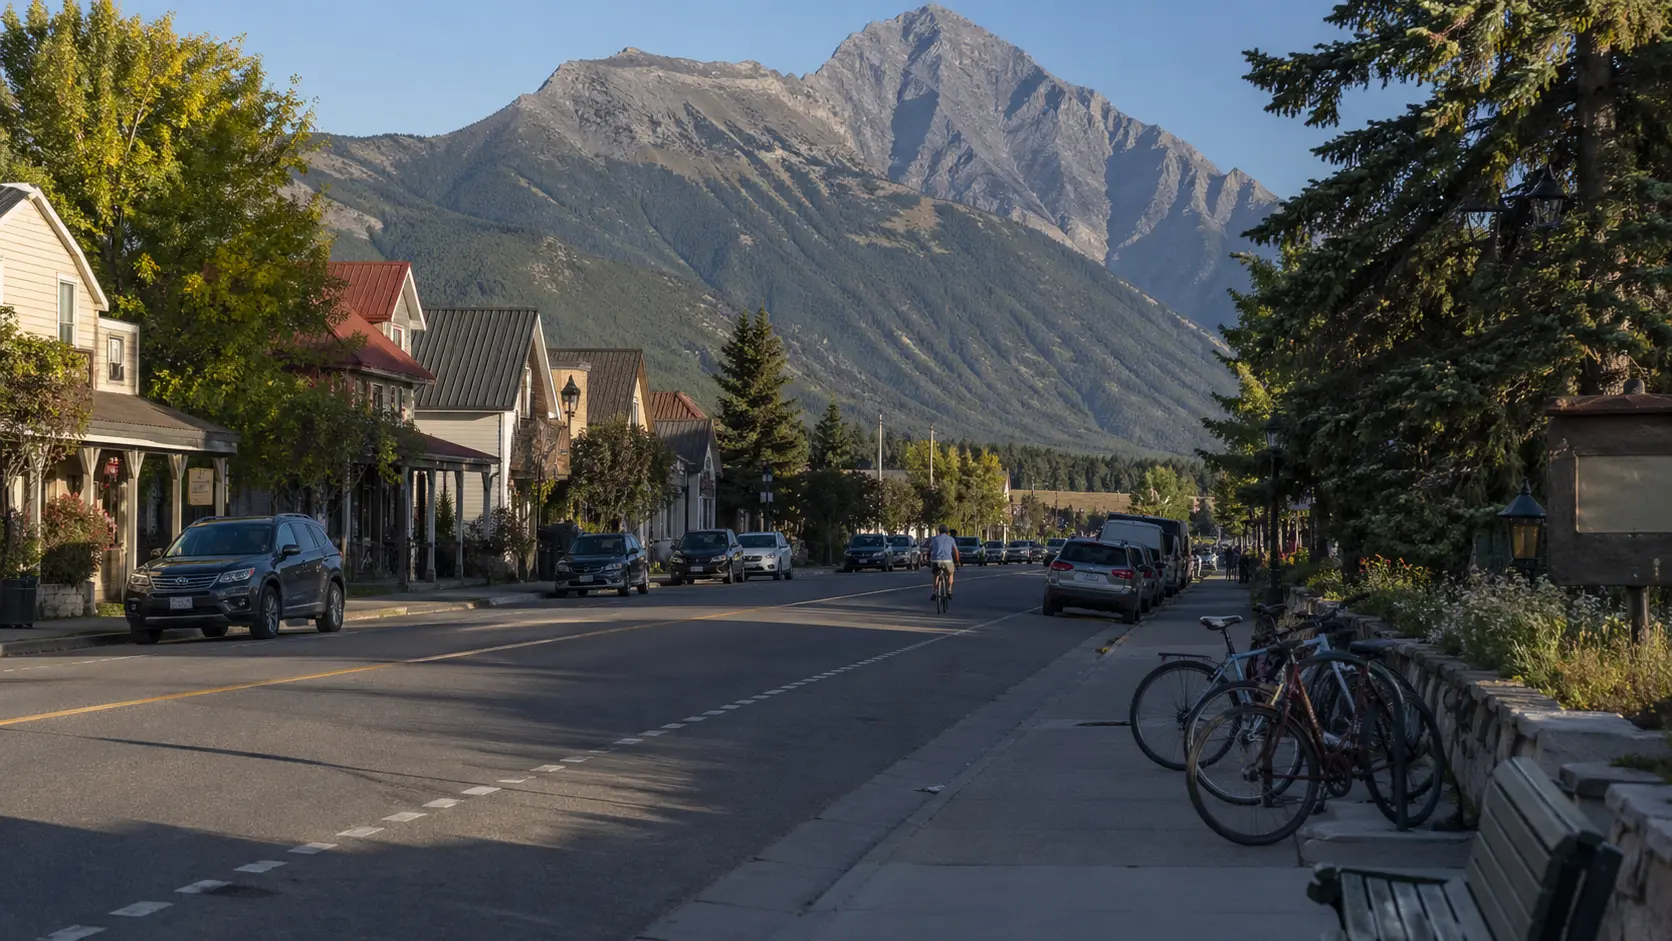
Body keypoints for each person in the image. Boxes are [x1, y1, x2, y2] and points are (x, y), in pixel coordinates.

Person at [926, 524, 959, 601]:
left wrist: (928, 560)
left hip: (936, 560)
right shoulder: (951, 539)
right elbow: (956, 552)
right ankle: (949, 591)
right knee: (951, 573)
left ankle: (934, 592)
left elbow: (929, 551)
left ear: (939, 531)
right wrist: (957, 562)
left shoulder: (934, 539)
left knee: (936, 575)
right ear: (947, 532)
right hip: (948, 560)